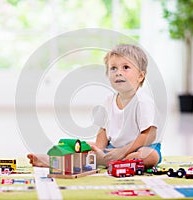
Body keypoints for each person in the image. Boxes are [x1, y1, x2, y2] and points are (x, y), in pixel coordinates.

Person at [27, 44, 162, 169]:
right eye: (113, 68)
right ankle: (54, 160)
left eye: (126, 67)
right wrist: (98, 149)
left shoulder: (143, 101)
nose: (118, 72)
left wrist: (123, 151)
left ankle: (109, 160)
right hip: (112, 148)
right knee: (85, 147)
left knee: (149, 156)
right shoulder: (108, 101)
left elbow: (149, 135)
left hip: (140, 147)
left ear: (140, 76)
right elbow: (102, 131)